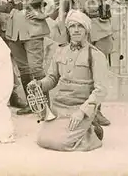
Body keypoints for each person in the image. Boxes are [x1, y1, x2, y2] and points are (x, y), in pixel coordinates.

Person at [30, 10, 107, 152]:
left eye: (80, 26)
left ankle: (92, 133)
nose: (76, 30)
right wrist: (40, 84)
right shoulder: (60, 51)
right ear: (68, 29)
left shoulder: (96, 55)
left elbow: (100, 90)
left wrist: (82, 112)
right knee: (43, 140)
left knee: (62, 143)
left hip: (80, 107)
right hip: (60, 106)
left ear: (86, 30)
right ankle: (84, 131)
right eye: (72, 26)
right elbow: (52, 78)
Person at [57, 0, 113, 126]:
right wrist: (63, 23)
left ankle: (98, 111)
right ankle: (84, 109)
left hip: (99, 26)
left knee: (100, 70)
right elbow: (66, 2)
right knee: (83, 71)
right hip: (80, 30)